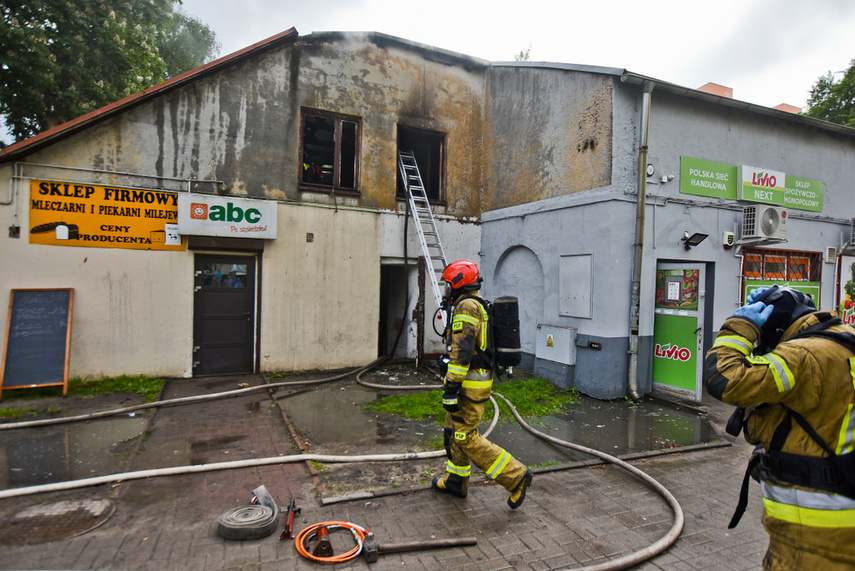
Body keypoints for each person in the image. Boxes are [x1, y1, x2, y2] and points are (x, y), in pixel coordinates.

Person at [703, 285, 855, 569]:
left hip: (816, 535)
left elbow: (722, 377)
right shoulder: (844, 340)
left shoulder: (804, 354)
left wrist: (740, 327)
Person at [431, 259, 533, 509]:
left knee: (465, 437)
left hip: (469, 385)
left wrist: (451, 388)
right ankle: (456, 481)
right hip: (470, 382)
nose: (447, 290)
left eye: (449, 285)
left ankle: (516, 476)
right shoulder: (475, 303)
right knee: (451, 433)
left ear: (458, 283)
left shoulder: (466, 307)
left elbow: (462, 351)